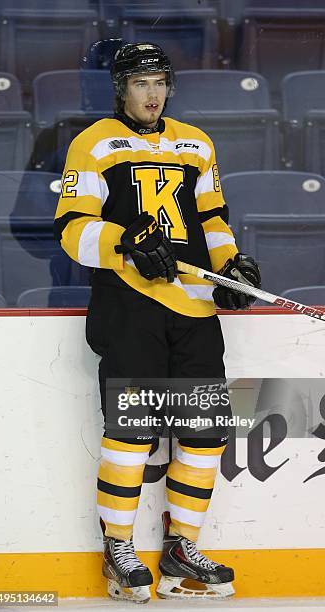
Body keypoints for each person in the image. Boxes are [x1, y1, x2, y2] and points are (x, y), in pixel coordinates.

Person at [54, 42, 261, 603]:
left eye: (160, 83)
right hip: (128, 306)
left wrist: (228, 267)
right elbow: (73, 228)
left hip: (193, 307)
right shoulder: (93, 143)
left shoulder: (196, 141)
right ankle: (119, 549)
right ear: (121, 88)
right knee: (131, 433)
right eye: (141, 83)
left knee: (204, 434)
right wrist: (125, 241)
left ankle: (181, 545)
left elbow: (212, 217)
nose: (152, 93)